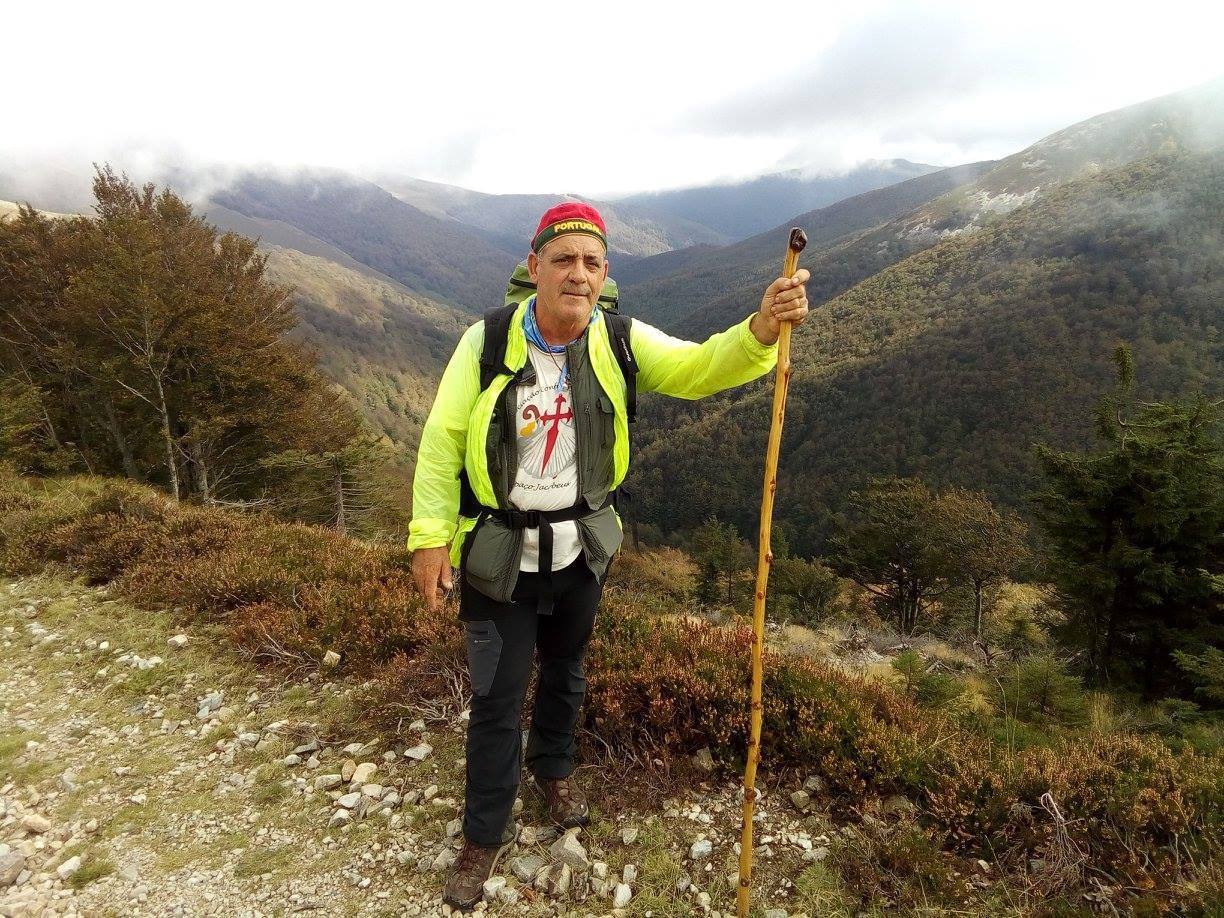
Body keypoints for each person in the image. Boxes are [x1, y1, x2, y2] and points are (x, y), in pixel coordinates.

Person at [408, 202, 809, 909]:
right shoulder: (488, 341)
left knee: (566, 672)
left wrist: (760, 330)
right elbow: (442, 441)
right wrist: (429, 537)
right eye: (563, 260)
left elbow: (697, 368)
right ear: (534, 269)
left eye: (592, 262)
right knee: (498, 698)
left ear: (605, 274)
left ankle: (553, 769)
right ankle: (483, 831)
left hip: (582, 548)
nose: (578, 274)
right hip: (499, 551)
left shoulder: (618, 341)